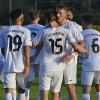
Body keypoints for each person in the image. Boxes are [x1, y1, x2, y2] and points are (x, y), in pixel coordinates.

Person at [32, 9, 87, 100]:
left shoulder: (44, 31)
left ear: (48, 20)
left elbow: (33, 44)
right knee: (56, 92)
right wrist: (85, 51)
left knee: (45, 92)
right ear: (56, 18)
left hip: (46, 66)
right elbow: (76, 46)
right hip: (59, 66)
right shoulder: (65, 31)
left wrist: (42, 47)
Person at [0, 9, 32, 100]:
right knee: (21, 89)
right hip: (21, 64)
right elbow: (27, 49)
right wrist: (28, 65)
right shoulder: (26, 31)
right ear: (21, 18)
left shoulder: (3, 30)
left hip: (9, 63)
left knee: (8, 89)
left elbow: (2, 49)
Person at [56, 4, 85, 100]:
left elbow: (82, 42)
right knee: (55, 88)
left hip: (69, 61)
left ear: (65, 14)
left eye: (60, 13)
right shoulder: (52, 24)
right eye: (56, 13)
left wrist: (72, 55)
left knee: (70, 87)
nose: (58, 15)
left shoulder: (71, 26)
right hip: (55, 60)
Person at [25, 9, 44, 100]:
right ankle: (39, 98)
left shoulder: (25, 28)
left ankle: (26, 97)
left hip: (28, 58)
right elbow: (42, 44)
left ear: (29, 17)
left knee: (28, 81)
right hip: (40, 57)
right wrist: (36, 55)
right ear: (39, 18)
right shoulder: (43, 28)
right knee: (42, 81)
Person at [81, 14, 100, 100]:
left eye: (82, 23)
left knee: (86, 90)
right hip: (99, 63)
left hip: (88, 63)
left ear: (84, 23)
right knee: (98, 88)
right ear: (92, 24)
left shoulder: (82, 34)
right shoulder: (98, 34)